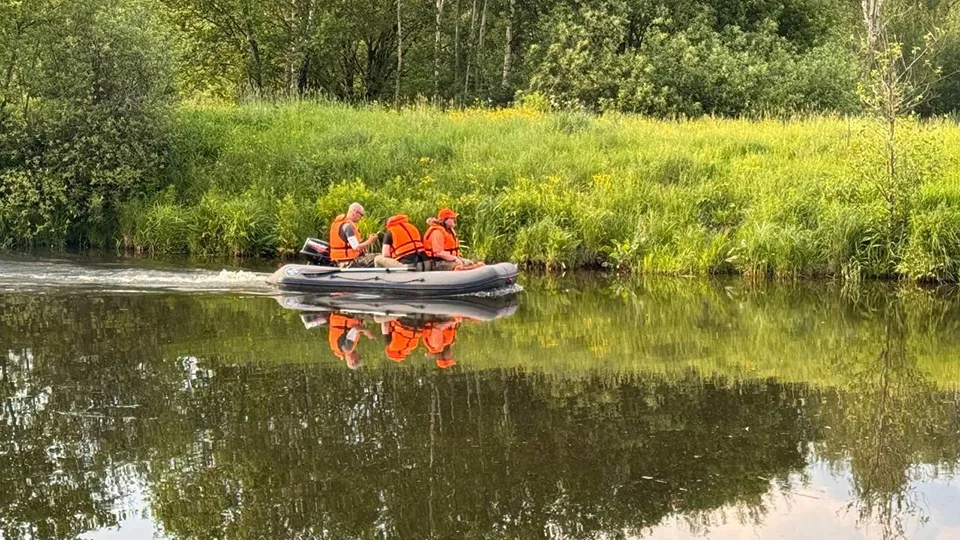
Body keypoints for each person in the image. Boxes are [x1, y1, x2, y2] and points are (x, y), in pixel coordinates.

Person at [329, 202, 378, 268]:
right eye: (361, 215)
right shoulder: (348, 226)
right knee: (379, 258)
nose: (361, 218)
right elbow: (356, 247)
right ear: (354, 212)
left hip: (338, 260)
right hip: (347, 262)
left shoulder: (338, 223)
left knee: (375, 255)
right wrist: (370, 241)